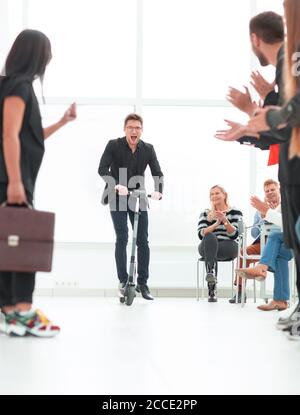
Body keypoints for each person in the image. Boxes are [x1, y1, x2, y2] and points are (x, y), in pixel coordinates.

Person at [0, 29, 77, 337]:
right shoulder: (18, 86)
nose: (50, 58)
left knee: (10, 242)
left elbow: (26, 136)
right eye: (47, 52)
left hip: (14, 177)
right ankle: (19, 310)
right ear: (35, 54)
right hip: (12, 179)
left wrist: (61, 122)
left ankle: (10, 311)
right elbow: (8, 135)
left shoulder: (13, 85)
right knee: (21, 241)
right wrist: (15, 182)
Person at [98, 113, 163, 301]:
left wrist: (158, 190)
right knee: (122, 237)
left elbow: (157, 172)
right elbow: (102, 168)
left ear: (142, 130)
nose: (134, 131)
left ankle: (142, 283)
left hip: (139, 196)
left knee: (143, 240)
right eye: (130, 127)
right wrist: (116, 184)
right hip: (117, 195)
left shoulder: (148, 149)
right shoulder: (113, 145)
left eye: (137, 128)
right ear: (125, 129)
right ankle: (123, 281)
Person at [236, 195, 293, 311]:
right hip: (286, 242)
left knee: (275, 236)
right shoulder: (285, 203)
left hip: (291, 239)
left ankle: (262, 268)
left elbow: (289, 224)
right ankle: (280, 300)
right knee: (280, 255)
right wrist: (266, 213)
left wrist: (268, 211)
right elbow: (267, 226)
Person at [229, 179, 281, 303]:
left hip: (281, 243)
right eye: (267, 191)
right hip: (262, 244)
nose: (270, 192)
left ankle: (279, 294)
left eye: (272, 189)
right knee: (242, 253)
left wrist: (272, 214)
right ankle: (240, 292)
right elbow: (254, 233)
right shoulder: (259, 210)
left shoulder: (286, 206)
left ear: (278, 189)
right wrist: (264, 216)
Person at [197, 185, 243, 302]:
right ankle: (211, 274)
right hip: (207, 246)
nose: (214, 196)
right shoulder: (205, 213)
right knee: (210, 237)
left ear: (224, 195)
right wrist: (216, 224)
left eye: (217, 193)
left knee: (212, 245)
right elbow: (201, 234)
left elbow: (234, 235)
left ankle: (211, 288)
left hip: (227, 246)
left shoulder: (235, 212)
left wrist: (225, 220)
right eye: (212, 194)